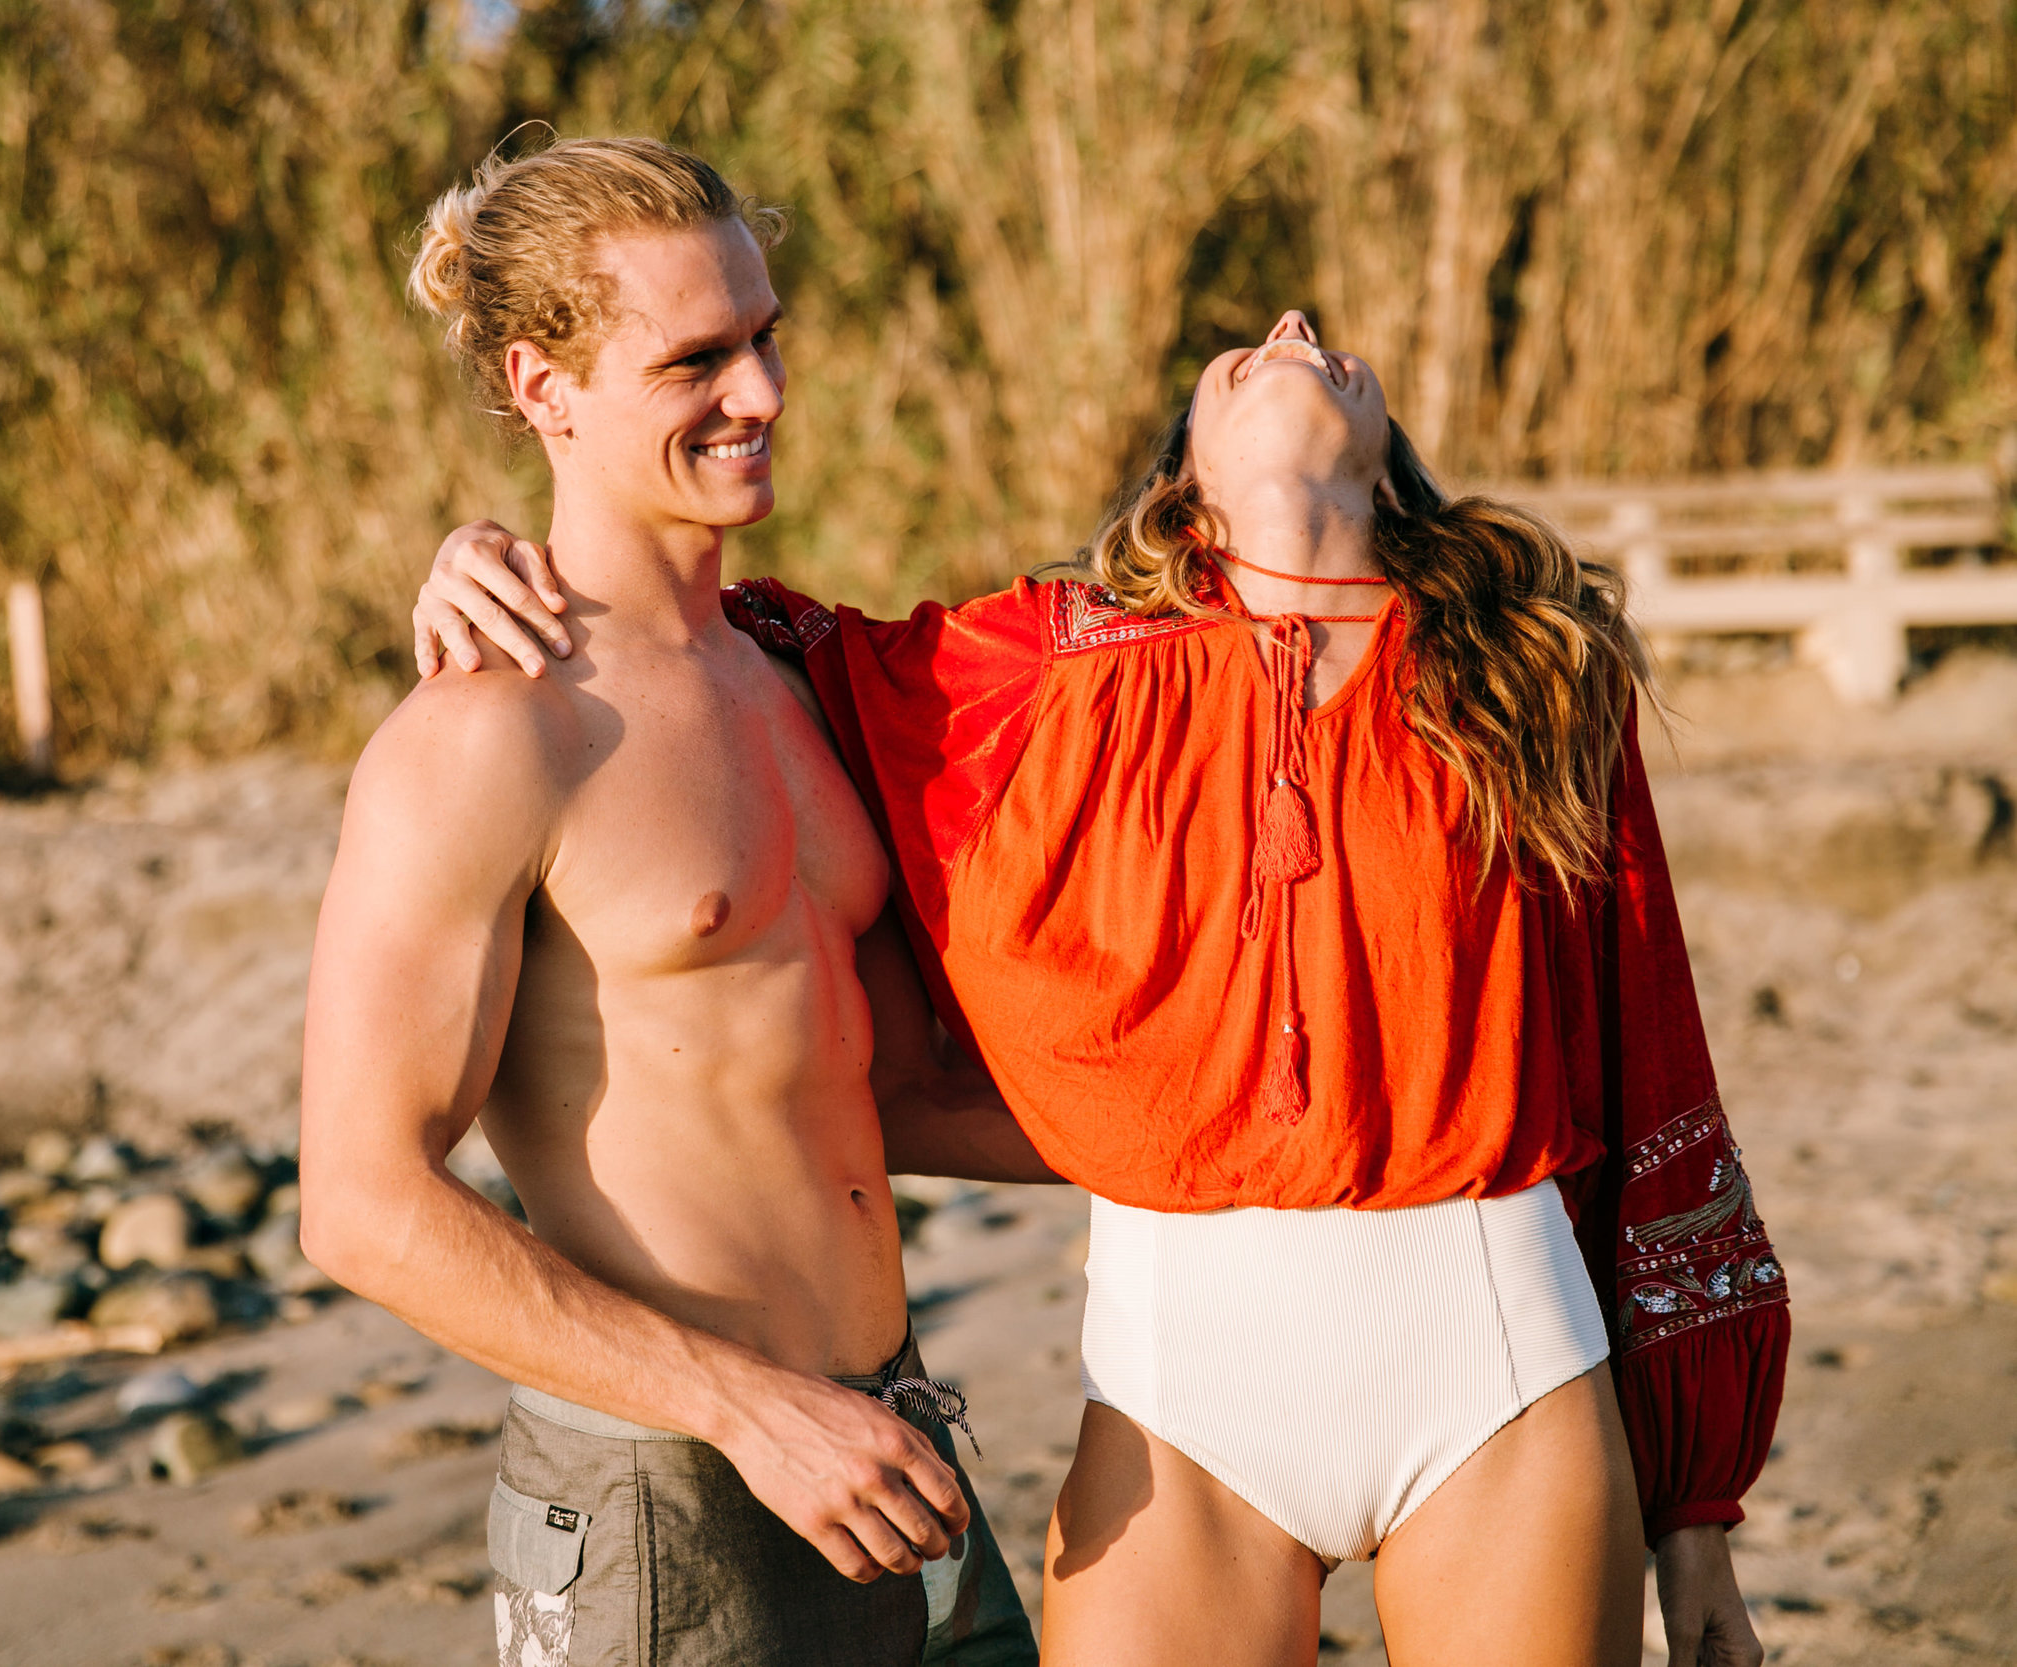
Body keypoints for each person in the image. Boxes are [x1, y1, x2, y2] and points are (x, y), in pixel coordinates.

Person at [415, 309, 1789, 1667]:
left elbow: (1650, 1061)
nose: (1293, 322)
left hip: (1496, 1356)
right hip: (1175, 1404)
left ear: (1388, 449)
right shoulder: (1034, 674)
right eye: (1246, 338)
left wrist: (1696, 1519)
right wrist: (493, 564)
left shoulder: (1528, 668)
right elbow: (722, 637)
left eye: (1325, 338)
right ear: (1181, 466)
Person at [295, 136, 1044, 1667]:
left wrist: (1250, 1160)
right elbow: (361, 1204)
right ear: (546, 384)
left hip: (893, 1450)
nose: (760, 395)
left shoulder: (787, 676)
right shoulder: (492, 733)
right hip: (667, 1505)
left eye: (764, 338)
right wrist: (750, 1413)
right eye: (695, 360)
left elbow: (878, 1085)